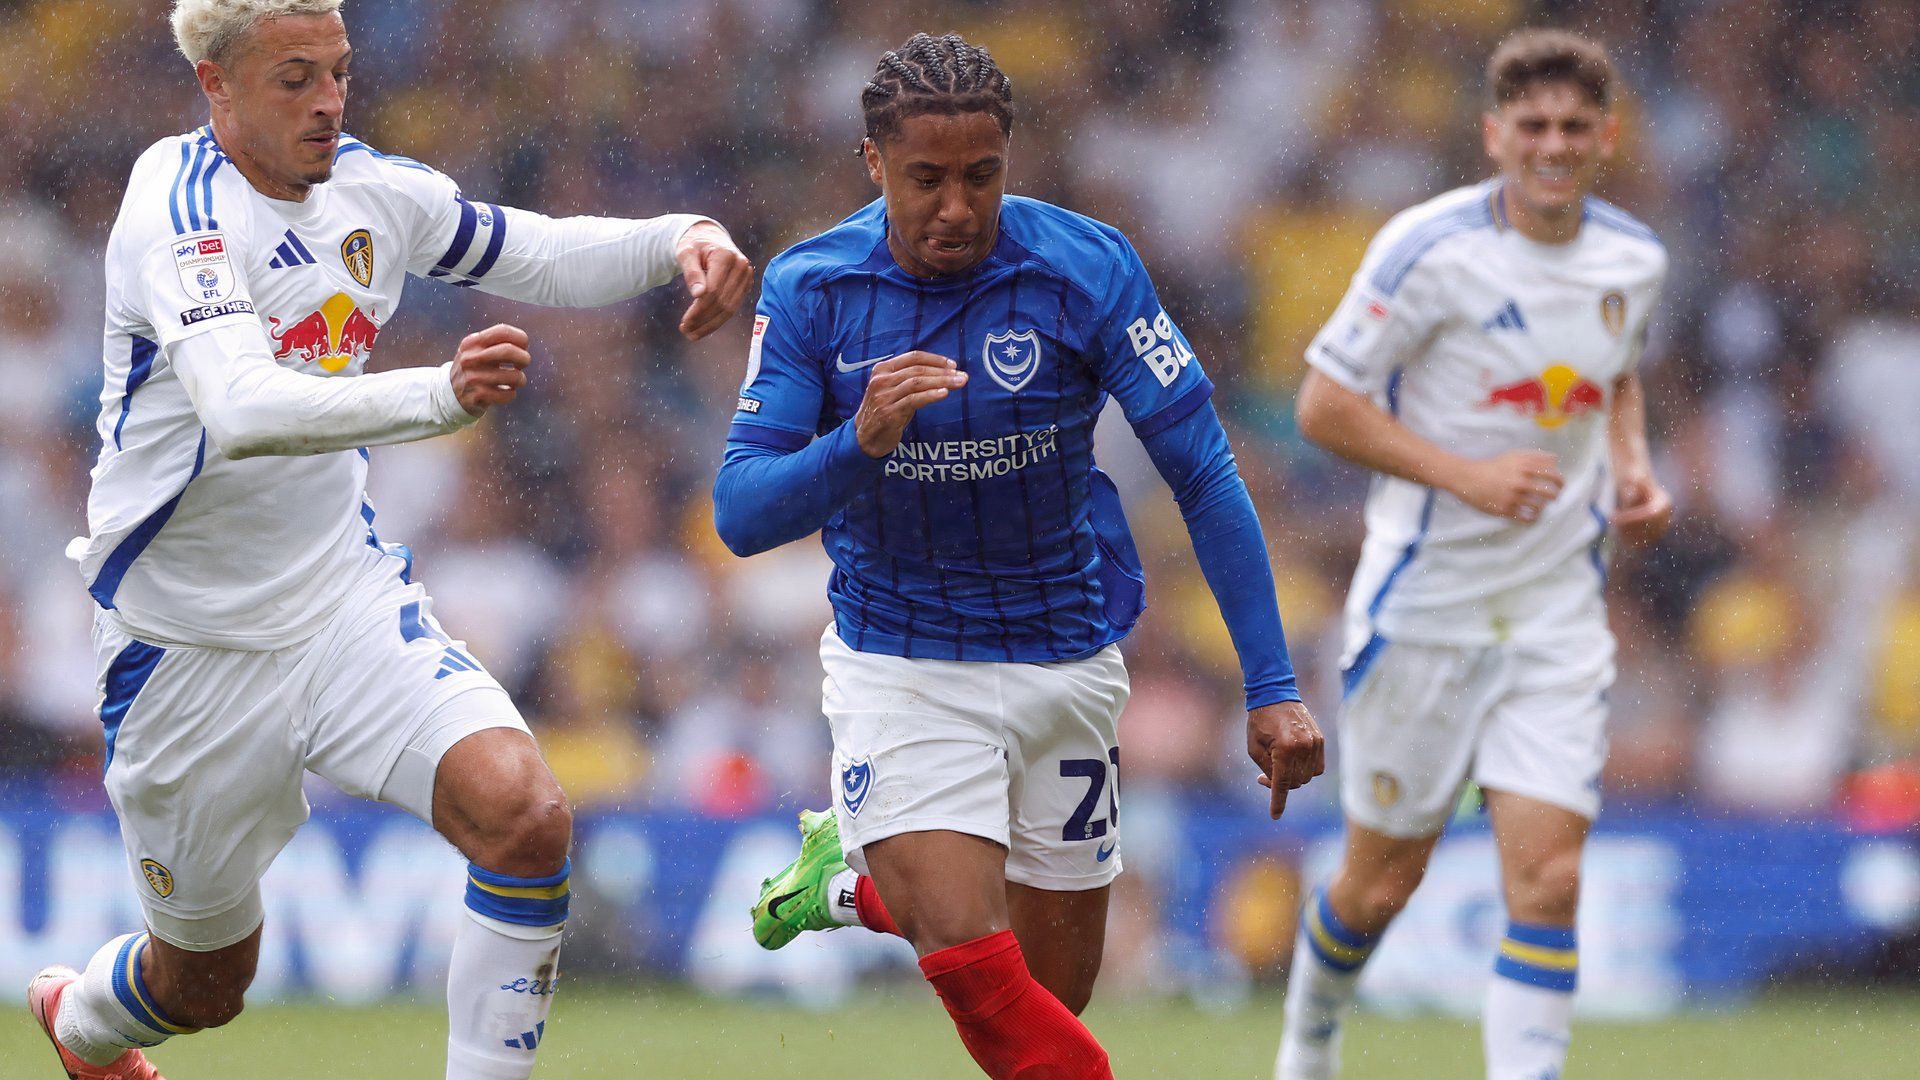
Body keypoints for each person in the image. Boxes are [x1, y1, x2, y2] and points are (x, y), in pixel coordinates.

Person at [26, 2, 752, 1078]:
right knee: (204, 985)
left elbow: (536, 252)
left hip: (339, 606)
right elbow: (242, 407)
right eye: (294, 79)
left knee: (525, 814)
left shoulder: (373, 191)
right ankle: (83, 1025)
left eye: (340, 72)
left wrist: (678, 237)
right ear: (215, 85)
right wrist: (436, 396)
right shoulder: (174, 210)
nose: (328, 101)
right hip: (186, 650)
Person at [713, 33, 1323, 1080]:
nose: (957, 206)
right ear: (873, 163)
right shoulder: (813, 287)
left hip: (1066, 661)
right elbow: (741, 511)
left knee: (1046, 999)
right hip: (902, 663)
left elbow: (1206, 474)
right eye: (927, 180)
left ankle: (848, 884)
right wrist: (855, 443)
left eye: (981, 177)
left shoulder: (1085, 269)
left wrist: (1271, 686)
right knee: (1004, 1003)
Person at [1274, 29, 1670, 1080]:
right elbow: (1323, 405)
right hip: (1425, 611)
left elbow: (1616, 372)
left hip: (1554, 617)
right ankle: (1308, 1045)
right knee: (1377, 888)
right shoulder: (1425, 250)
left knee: (1548, 880)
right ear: (1494, 134)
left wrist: (1632, 469)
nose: (1553, 144)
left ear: (1606, 138)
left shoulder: (1634, 258)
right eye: (1532, 125)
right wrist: (1465, 474)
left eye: (1574, 128)